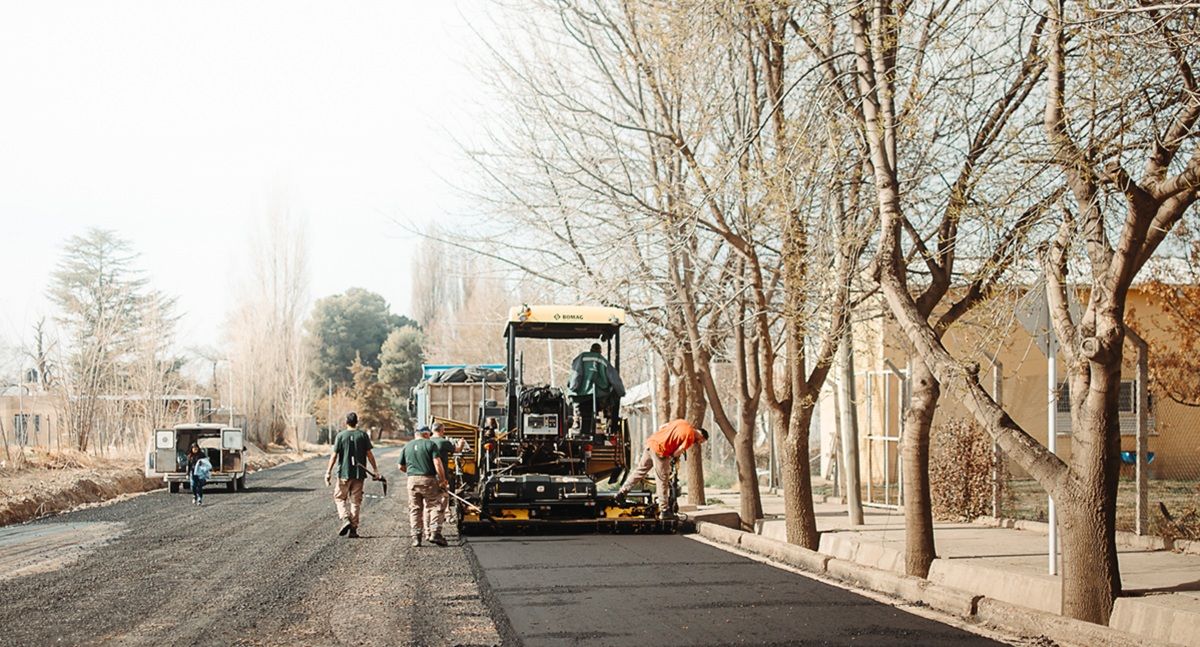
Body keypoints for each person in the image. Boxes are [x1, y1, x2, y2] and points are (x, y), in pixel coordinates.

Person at [615, 419, 708, 519]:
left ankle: (621, 493)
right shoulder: (690, 436)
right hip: (661, 451)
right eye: (701, 441)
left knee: (639, 471)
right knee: (662, 480)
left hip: (651, 444)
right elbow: (679, 450)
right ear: (701, 436)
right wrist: (672, 456)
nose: (698, 443)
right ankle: (664, 510)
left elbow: (662, 427)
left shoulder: (681, 422)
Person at [324, 412, 378, 539]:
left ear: (346, 422)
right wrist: (375, 469)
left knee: (339, 498)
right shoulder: (363, 435)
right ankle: (353, 529)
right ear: (357, 422)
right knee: (355, 502)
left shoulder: (340, 436)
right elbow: (369, 455)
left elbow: (334, 456)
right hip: (359, 474)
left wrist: (328, 472)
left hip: (344, 474)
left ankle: (345, 518)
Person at [399, 425, 449, 547]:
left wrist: (413, 474)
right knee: (435, 505)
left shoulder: (407, 446)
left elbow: (401, 467)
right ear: (426, 434)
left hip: (412, 481)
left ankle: (416, 538)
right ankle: (434, 533)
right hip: (429, 480)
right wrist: (442, 480)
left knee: (415, 509)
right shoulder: (431, 445)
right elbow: (437, 463)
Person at [566, 342, 626, 433]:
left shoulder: (582, 357)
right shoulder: (603, 361)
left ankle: (577, 421)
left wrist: (573, 388)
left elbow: (575, 374)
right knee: (614, 399)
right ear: (600, 351)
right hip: (600, 397)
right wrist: (621, 392)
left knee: (582, 410)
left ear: (590, 350)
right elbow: (615, 380)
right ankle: (611, 427)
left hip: (582, 397)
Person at [429, 422, 466, 533]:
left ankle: (427, 530)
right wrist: (461, 443)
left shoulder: (427, 442)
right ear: (442, 431)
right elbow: (457, 450)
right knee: (443, 499)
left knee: (429, 503)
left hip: (428, 476)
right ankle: (442, 522)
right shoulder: (444, 442)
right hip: (440, 476)